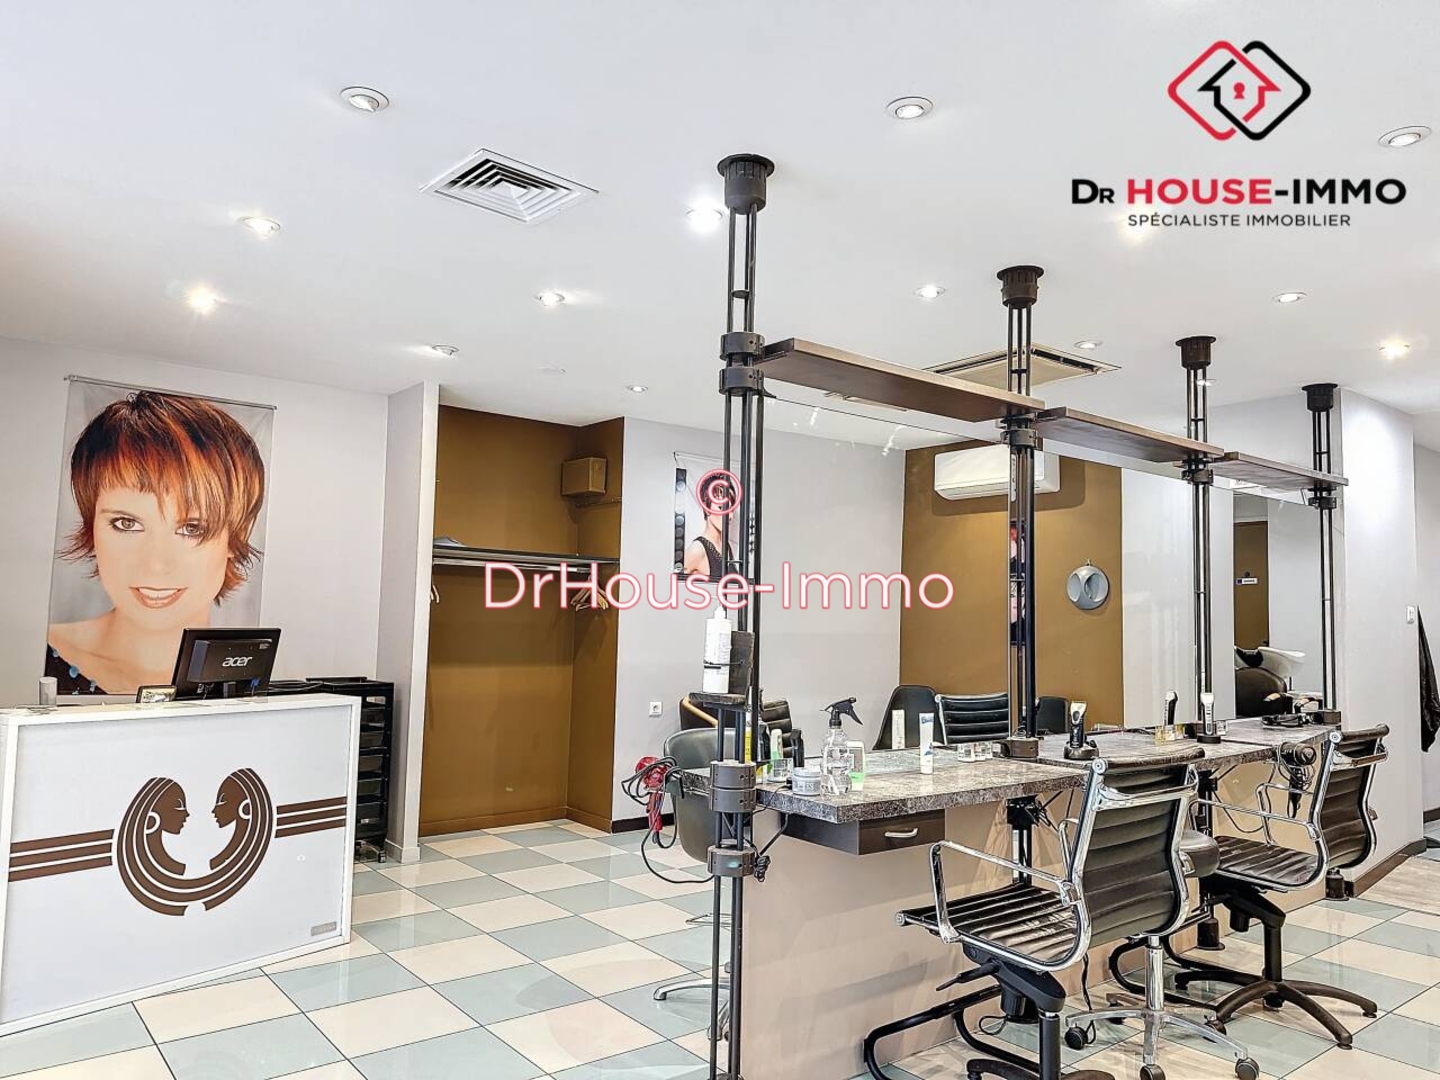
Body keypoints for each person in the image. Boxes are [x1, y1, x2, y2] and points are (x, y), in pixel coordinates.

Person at [45, 392, 265, 695]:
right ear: (92, 527)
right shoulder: (36, 655)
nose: (155, 564)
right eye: (126, 523)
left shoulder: (246, 678)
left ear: (237, 533)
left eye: (191, 528)